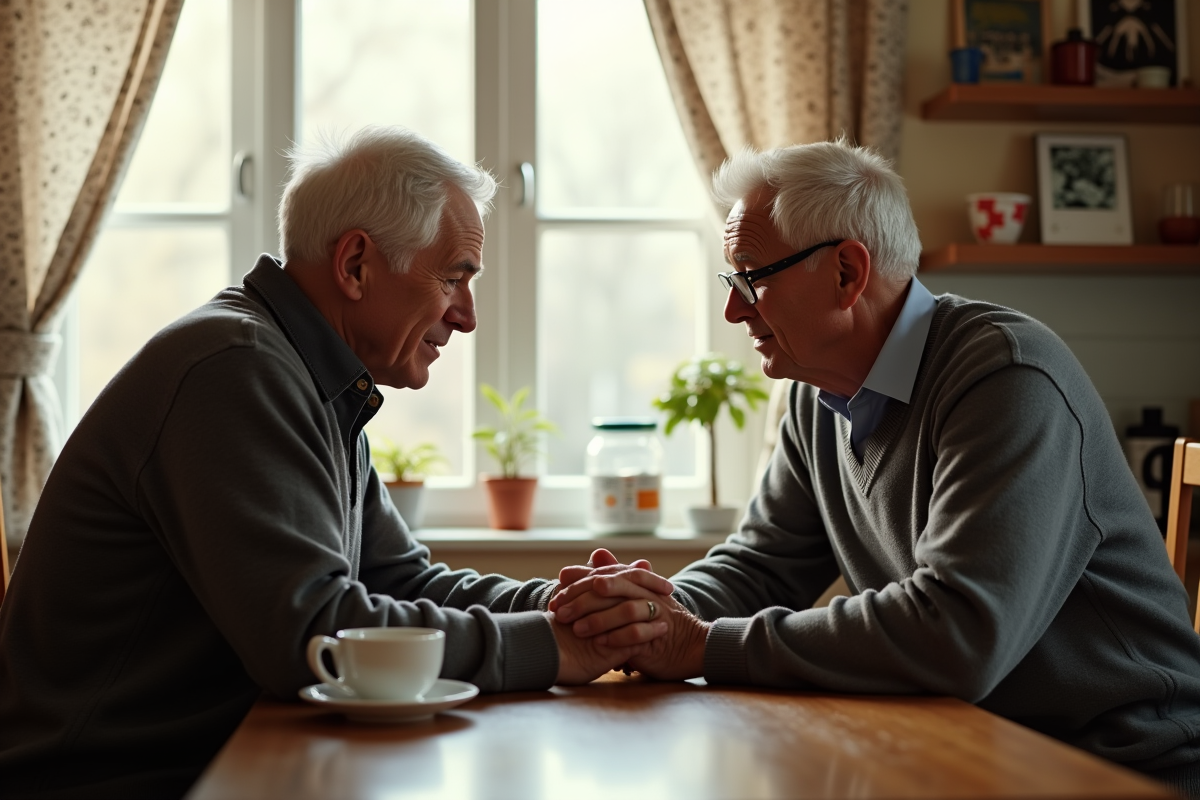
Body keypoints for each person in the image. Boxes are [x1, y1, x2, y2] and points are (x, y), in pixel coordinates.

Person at [0, 127, 669, 800]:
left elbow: (400, 578)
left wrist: (565, 609)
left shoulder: (304, 375)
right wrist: (555, 646)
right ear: (355, 265)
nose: (466, 317)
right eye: (454, 277)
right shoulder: (236, 370)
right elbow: (313, 636)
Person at [550, 139, 1200, 794]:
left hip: (1119, 763)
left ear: (846, 274)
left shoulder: (1006, 376)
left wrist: (697, 645)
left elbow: (957, 634)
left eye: (753, 276)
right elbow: (763, 564)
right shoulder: (815, 395)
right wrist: (651, 615)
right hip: (968, 745)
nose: (735, 308)